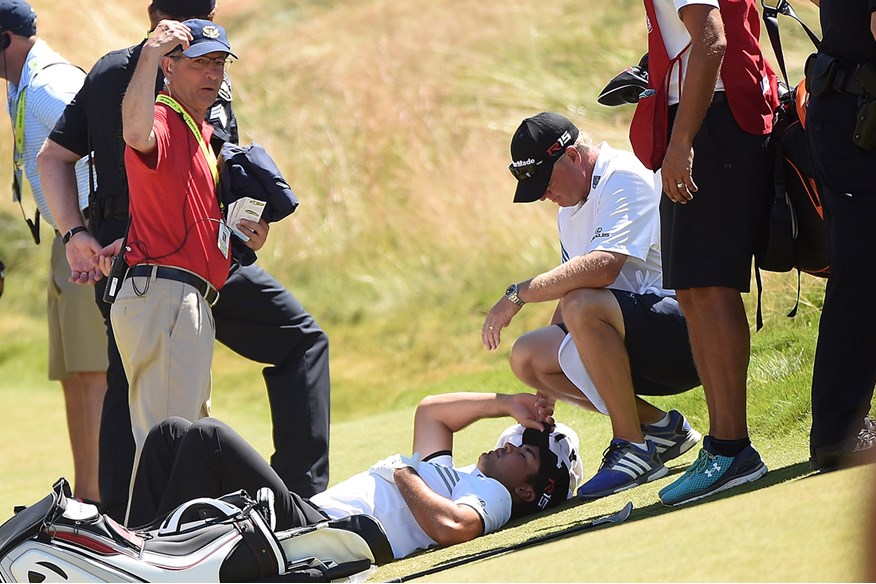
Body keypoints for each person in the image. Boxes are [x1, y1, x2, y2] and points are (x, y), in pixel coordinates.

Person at [38, 0, 331, 523]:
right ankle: (168, 541)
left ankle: (146, 530)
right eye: (201, 61)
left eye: (219, 63)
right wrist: (75, 234)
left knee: (166, 419)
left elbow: (63, 159)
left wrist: (239, 237)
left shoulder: (194, 123)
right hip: (155, 278)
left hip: (176, 278)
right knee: (171, 433)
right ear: (167, 47)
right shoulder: (159, 107)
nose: (213, 74)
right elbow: (134, 136)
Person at [482, 112, 701, 501]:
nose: (546, 196)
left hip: (690, 334)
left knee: (581, 302)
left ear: (571, 156)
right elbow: (576, 281)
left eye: (546, 184)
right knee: (528, 357)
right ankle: (662, 429)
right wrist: (545, 383)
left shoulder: (622, 176)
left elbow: (602, 269)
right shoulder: (569, 209)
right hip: (634, 334)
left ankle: (632, 446)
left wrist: (517, 295)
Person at [128, 392, 581, 560]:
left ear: (527, 488)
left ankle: (147, 558)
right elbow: (432, 411)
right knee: (171, 433)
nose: (507, 442)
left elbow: (452, 527)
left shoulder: (495, 497)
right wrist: (505, 403)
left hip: (317, 535)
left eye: (523, 450)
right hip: (306, 517)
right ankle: (131, 546)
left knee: (209, 437)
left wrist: (402, 473)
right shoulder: (455, 475)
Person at [630, 0, 778, 505]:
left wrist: (682, 142)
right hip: (702, 121)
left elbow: (712, 40)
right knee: (693, 291)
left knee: (710, 288)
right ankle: (723, 446)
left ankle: (731, 448)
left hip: (711, 125)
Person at [0, 0, 106, 503]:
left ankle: (103, 500)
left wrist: (87, 232)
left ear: (6, 40)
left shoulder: (46, 86)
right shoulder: (19, 85)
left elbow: (105, 145)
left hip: (83, 236)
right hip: (64, 236)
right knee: (73, 372)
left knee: (93, 370)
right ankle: (86, 496)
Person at [803, 0, 876, 470]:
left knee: (861, 274)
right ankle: (840, 431)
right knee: (862, 276)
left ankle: (841, 429)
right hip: (856, 115)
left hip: (844, 109)